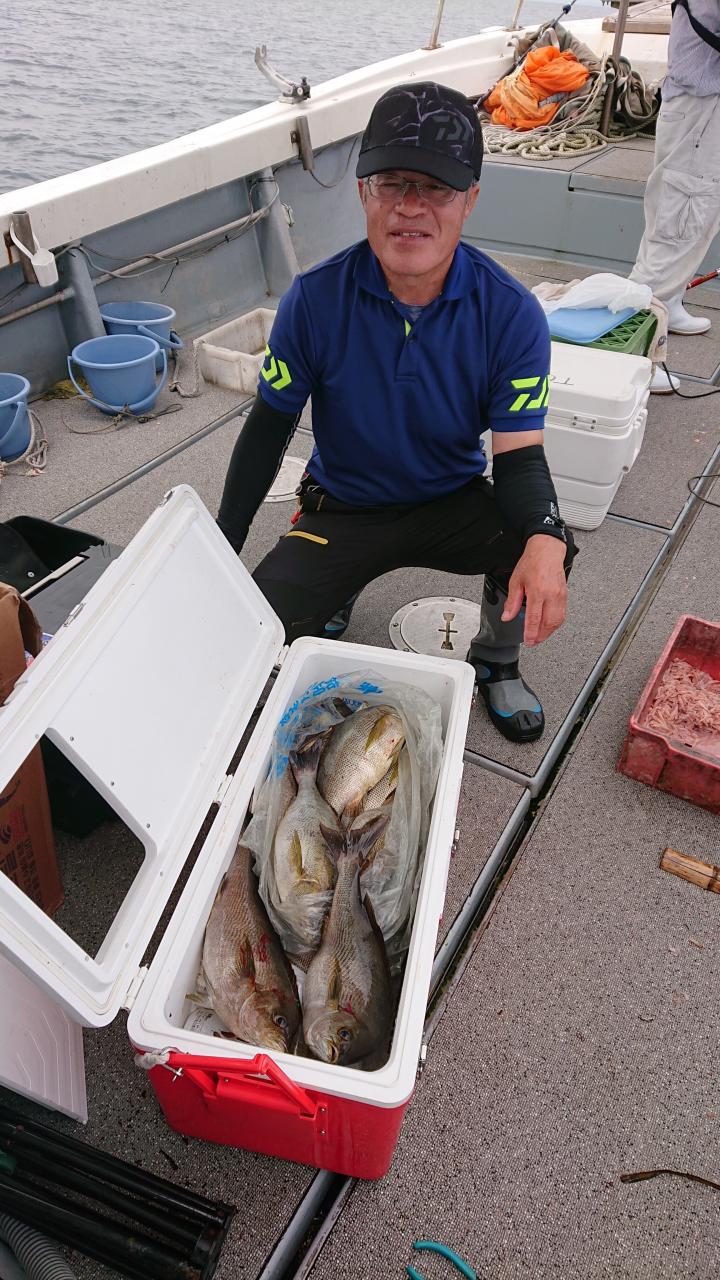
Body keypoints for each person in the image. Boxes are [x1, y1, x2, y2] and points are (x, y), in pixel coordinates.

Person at [217, 81, 576, 745]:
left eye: (436, 187)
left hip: (450, 500)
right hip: (344, 506)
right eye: (391, 183)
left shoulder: (512, 313)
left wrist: (547, 534)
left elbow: (520, 456)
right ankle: (338, 589)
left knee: (542, 542)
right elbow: (268, 429)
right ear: (363, 192)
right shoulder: (313, 299)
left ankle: (496, 659)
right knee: (258, 634)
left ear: (470, 198)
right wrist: (224, 543)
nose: (410, 206)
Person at [629, 0, 720, 392]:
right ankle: (633, 356)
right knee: (678, 226)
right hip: (702, 105)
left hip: (697, 104)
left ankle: (669, 303)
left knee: (681, 217)